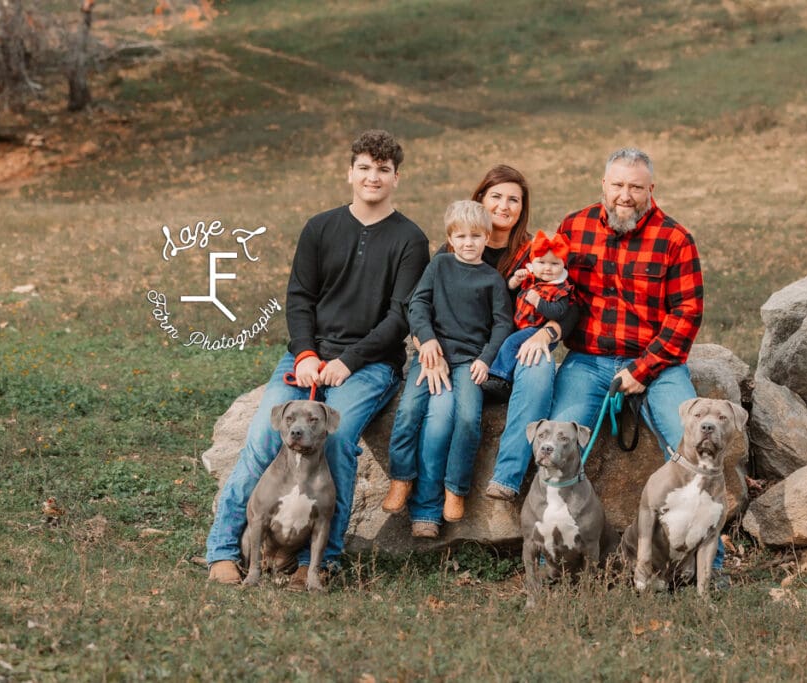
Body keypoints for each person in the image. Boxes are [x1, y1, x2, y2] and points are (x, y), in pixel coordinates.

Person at [206, 130, 430, 588]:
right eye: (364, 167)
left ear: (396, 178)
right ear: (349, 172)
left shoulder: (410, 239)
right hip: (306, 359)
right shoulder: (320, 227)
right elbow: (299, 298)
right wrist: (307, 352)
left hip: (369, 366)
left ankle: (321, 561)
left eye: (383, 170)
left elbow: (401, 315)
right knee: (262, 443)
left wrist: (349, 360)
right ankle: (223, 551)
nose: (373, 177)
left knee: (339, 437)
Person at [493, 146, 726, 574]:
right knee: (556, 438)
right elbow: (563, 296)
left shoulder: (675, 239)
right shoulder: (574, 227)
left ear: (650, 189)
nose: (625, 195)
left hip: (656, 364)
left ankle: (711, 566)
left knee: (691, 443)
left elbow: (687, 313)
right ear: (603, 185)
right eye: (617, 185)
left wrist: (642, 370)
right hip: (587, 360)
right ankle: (547, 554)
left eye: (635, 187)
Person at [381, 200, 513, 538]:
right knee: (410, 409)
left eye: (476, 236)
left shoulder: (492, 280)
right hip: (431, 356)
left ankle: (455, 488)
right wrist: (426, 340)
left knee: (468, 418)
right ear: (450, 239)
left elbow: (502, 325)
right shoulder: (438, 266)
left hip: (469, 363)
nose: (468, 243)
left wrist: (486, 358)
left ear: (487, 237)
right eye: (461, 236)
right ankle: (401, 478)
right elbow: (419, 304)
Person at [482, 229, 573, 401]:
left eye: (554, 264)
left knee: (511, 343)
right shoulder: (532, 276)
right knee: (506, 341)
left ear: (563, 265)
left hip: (538, 328)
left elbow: (559, 313)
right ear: (533, 261)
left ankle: (500, 378)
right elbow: (510, 287)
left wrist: (538, 302)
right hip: (522, 324)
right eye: (542, 262)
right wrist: (516, 279)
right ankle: (506, 372)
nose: (547, 268)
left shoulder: (560, 287)